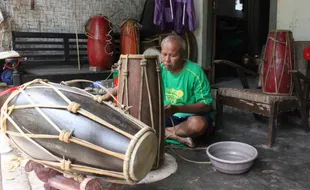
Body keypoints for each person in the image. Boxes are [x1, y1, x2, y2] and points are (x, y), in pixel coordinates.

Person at [102, 34, 213, 147]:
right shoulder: (158, 69)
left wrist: (177, 108)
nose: (167, 60)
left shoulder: (195, 72)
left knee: (198, 124)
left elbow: (206, 105)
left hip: (189, 116)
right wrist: (104, 97)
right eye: (164, 54)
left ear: (183, 55)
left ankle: (160, 133)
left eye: (173, 55)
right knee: (134, 119)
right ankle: (175, 136)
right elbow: (130, 83)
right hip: (166, 116)